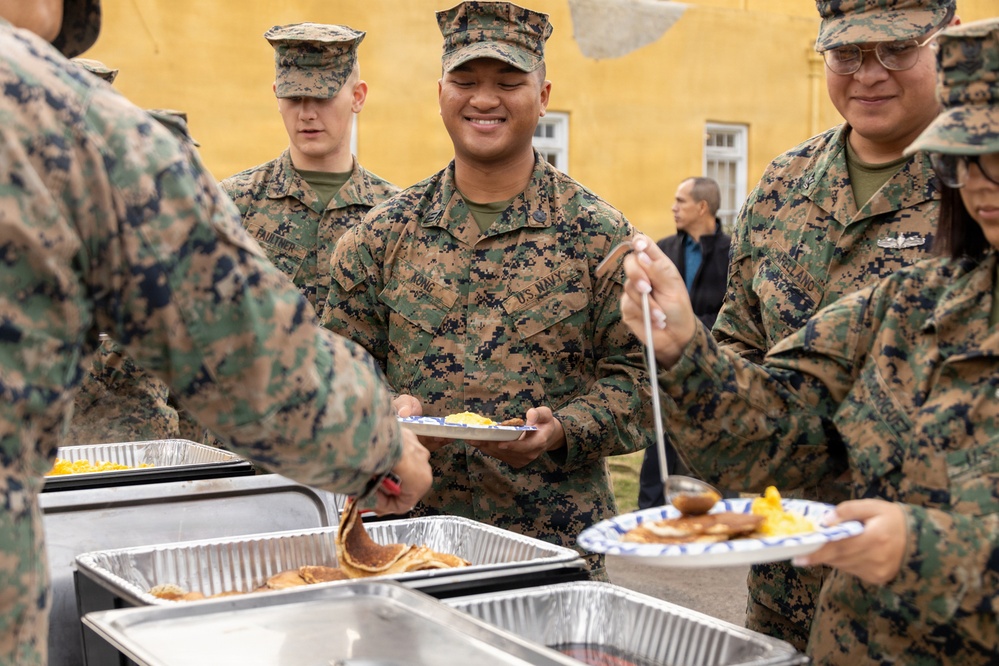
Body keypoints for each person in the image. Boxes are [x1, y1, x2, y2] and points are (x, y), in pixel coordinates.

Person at [0, 1, 432, 662]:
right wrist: (381, 450)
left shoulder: (392, 212)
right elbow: (241, 352)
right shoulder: (58, 112)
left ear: (356, 96)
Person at [618, 17, 999, 663]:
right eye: (968, 161)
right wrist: (685, 348)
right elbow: (784, 422)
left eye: (895, 49)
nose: (984, 184)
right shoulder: (915, 301)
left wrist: (926, 553)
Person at [322, 0, 655, 571]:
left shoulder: (601, 236)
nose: (483, 99)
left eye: (508, 81)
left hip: (551, 550)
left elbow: (643, 381)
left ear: (543, 96)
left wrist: (565, 429)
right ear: (440, 93)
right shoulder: (379, 236)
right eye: (465, 80)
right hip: (408, 544)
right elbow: (337, 371)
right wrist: (385, 410)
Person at [220, 23, 399, 321]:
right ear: (277, 97)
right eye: (294, 98)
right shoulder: (233, 204)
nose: (306, 114)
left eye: (322, 97)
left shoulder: (395, 216)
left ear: (357, 97)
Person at [638, 176, 730, 509]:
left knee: (713, 448)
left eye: (681, 201)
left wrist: (693, 332)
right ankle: (650, 515)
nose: (673, 208)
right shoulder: (664, 250)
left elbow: (734, 312)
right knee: (658, 447)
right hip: (666, 367)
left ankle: (718, 514)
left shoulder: (732, 252)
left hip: (712, 366)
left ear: (702, 207)